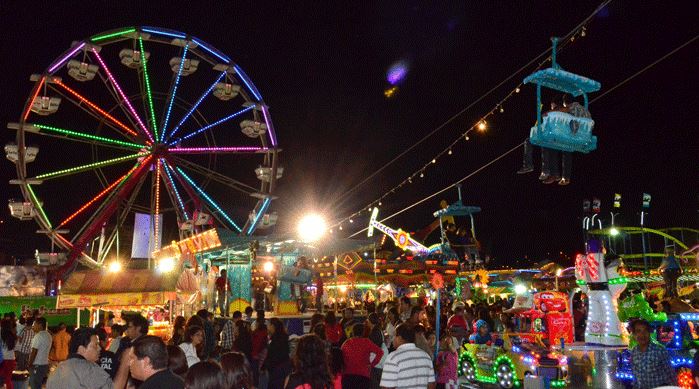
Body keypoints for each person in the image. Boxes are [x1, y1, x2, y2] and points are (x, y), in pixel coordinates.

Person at [47, 327, 129, 389]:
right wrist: (125, 361)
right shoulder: (89, 368)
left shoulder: (57, 370)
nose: (99, 348)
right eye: (95, 345)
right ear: (81, 349)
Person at [380, 324, 436, 389]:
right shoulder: (426, 357)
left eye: (394, 336)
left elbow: (387, 387)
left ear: (399, 338)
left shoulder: (393, 358)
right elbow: (431, 385)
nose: (393, 339)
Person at [629, 319, 676, 388]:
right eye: (638, 331)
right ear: (634, 335)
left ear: (649, 332)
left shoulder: (659, 351)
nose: (642, 334)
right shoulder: (634, 352)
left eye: (645, 331)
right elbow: (636, 378)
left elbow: (671, 375)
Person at [341, 323, 384, 388]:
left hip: (347, 375)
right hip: (363, 375)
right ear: (363, 332)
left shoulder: (346, 342)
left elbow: (340, 355)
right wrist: (371, 364)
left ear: (353, 332)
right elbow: (380, 352)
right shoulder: (366, 342)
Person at [264, 318, 292, 389]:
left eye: (268, 325)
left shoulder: (276, 339)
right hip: (283, 367)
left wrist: (267, 365)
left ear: (273, 326)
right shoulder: (282, 337)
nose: (267, 327)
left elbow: (273, 355)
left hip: (277, 370)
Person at [28, 317, 51, 389]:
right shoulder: (48, 335)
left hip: (37, 365)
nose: (33, 326)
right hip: (44, 364)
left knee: (34, 385)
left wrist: (29, 364)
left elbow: (34, 352)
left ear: (40, 325)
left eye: (34, 324)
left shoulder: (38, 336)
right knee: (38, 384)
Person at [366, 313, 388, 389]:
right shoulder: (378, 330)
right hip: (380, 361)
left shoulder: (374, 332)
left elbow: (375, 348)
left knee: (375, 383)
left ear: (370, 321)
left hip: (377, 362)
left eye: (368, 320)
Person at [0, 318, 17, 389]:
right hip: (11, 359)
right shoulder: (12, 335)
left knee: (1, 379)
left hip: (2, 359)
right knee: (8, 379)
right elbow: (14, 348)